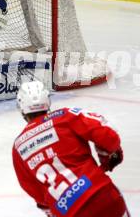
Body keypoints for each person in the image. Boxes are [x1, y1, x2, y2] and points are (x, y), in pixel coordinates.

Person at [12, 81, 130, 217]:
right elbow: (108, 136)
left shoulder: (18, 148)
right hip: (102, 195)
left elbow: (35, 192)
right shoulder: (65, 116)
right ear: (47, 101)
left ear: (21, 108)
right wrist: (109, 157)